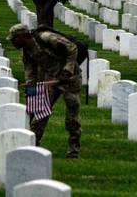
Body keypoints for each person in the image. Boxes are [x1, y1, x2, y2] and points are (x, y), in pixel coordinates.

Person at [8, 23, 82, 158]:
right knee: (40, 112)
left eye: (14, 39)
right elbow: (30, 74)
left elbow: (72, 48)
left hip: (70, 79)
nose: (13, 42)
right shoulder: (26, 52)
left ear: (24, 36)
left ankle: (73, 148)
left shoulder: (47, 38)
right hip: (50, 81)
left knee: (72, 114)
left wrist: (67, 71)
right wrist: (31, 93)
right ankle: (33, 145)